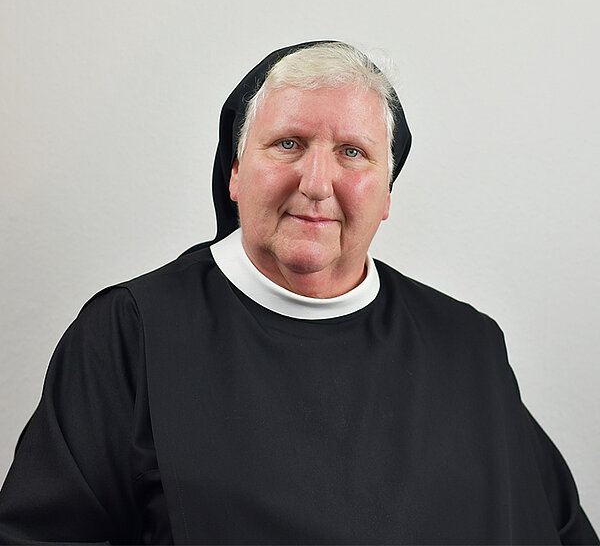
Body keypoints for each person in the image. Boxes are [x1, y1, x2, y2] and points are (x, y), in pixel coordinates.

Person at [0, 41, 597, 545]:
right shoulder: (132, 332)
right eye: (288, 143)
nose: (316, 183)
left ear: (387, 194)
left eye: (352, 153)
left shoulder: (467, 345)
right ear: (235, 172)